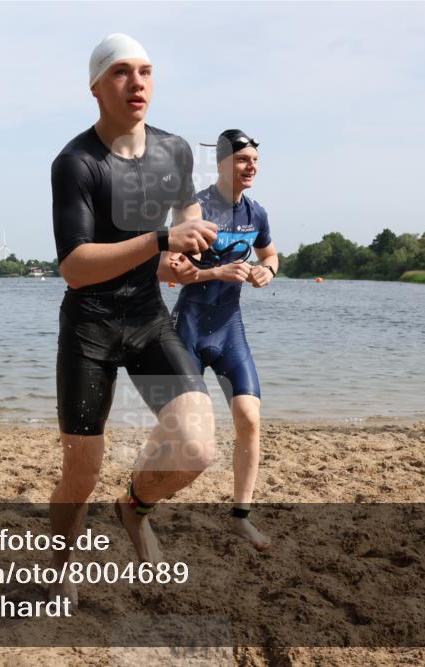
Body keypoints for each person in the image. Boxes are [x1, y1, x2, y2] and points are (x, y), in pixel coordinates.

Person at [49, 33, 219, 602]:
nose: (137, 82)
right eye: (121, 72)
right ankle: (61, 565)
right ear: (96, 88)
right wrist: (160, 240)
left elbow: (187, 209)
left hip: (148, 320)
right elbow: (75, 266)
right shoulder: (76, 163)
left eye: (145, 71)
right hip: (90, 328)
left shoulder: (174, 151)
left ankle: (134, 507)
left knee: (196, 447)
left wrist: (185, 253)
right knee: (81, 474)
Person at [162, 129, 277, 551]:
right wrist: (216, 272)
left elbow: (270, 254)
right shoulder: (196, 208)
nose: (252, 167)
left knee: (249, 418)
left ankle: (241, 517)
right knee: (185, 436)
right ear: (224, 162)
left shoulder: (256, 213)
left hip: (230, 330)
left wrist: (267, 271)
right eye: (244, 160)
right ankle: (143, 502)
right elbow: (169, 269)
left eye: (256, 161)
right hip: (189, 329)